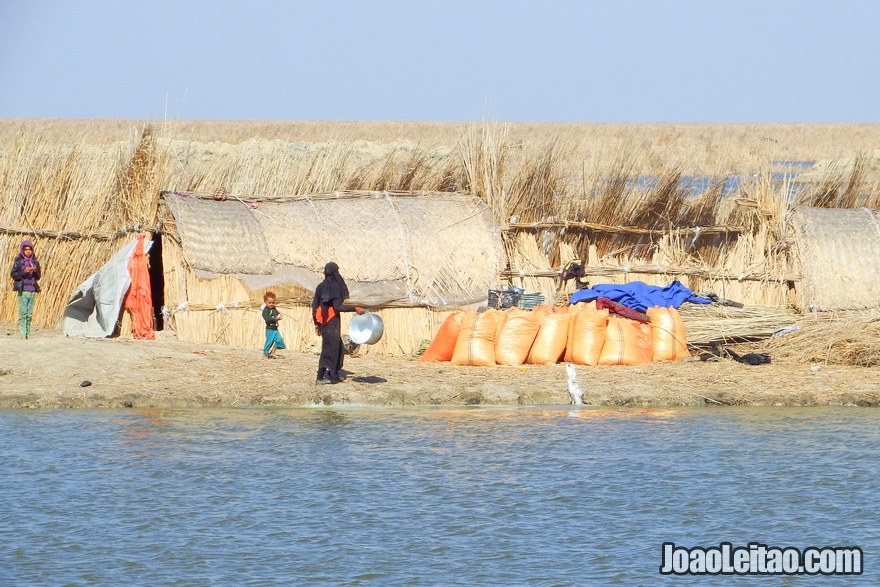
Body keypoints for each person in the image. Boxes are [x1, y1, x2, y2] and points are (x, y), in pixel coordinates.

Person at [311, 262, 365, 384]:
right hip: (331, 321)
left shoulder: (321, 286)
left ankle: (333, 373)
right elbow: (337, 307)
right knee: (329, 349)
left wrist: (316, 324)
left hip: (323, 321)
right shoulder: (335, 286)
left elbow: (315, 306)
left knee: (338, 347)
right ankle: (320, 377)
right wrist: (355, 309)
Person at [10, 240, 41, 339]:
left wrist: (35, 270)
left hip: (32, 290)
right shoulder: (18, 261)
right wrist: (24, 271)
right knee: (23, 313)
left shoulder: (35, 261)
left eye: (30, 249)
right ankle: (23, 334)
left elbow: (38, 277)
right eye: (26, 249)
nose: (28, 251)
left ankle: (28, 333)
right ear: (22, 250)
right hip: (23, 290)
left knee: (29, 313)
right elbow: (14, 275)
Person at [261, 291, 286, 359]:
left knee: (279, 340)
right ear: (265, 302)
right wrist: (275, 319)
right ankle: (265, 355)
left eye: (273, 302)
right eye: (269, 303)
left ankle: (272, 353)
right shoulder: (265, 311)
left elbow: (277, 314)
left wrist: (279, 317)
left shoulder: (274, 309)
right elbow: (267, 319)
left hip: (275, 329)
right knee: (269, 342)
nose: (271, 304)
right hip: (270, 329)